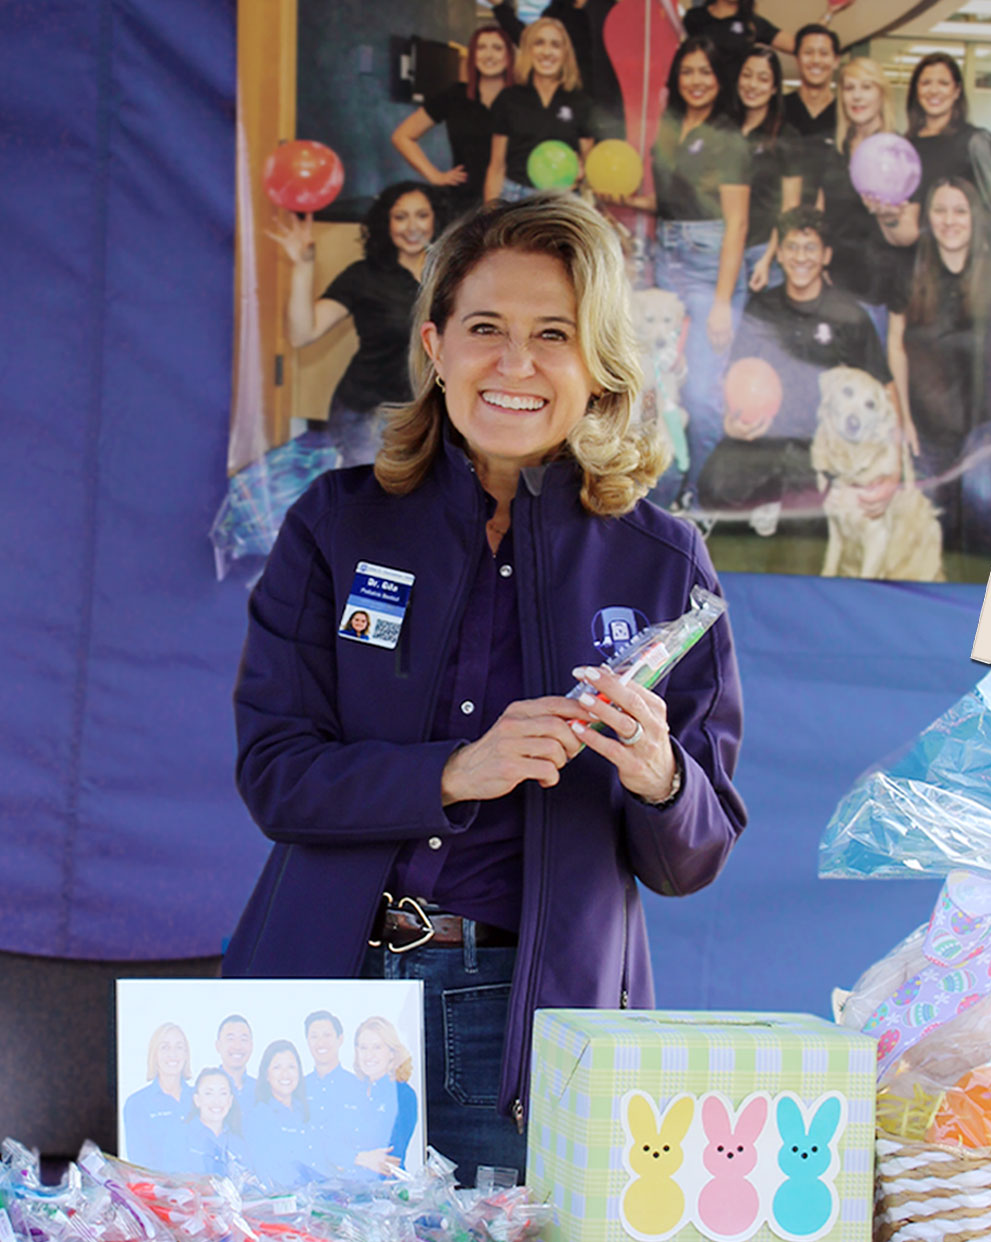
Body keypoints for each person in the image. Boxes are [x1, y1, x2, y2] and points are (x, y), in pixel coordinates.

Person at [223, 193, 746, 1185]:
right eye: (484, 330)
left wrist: (656, 775)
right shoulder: (333, 526)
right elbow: (274, 779)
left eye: (552, 334)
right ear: (434, 344)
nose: (514, 364)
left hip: (522, 1028)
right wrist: (455, 771)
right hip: (317, 1004)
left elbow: (695, 854)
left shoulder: (662, 564)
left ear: (596, 364)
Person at [886, 178, 991, 555]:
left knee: (980, 493)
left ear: (973, 217)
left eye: (960, 211)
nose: (950, 220)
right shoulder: (911, 267)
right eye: (940, 210)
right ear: (929, 217)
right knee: (930, 513)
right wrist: (902, 417)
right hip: (928, 426)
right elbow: (895, 346)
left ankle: (989, 588)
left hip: (990, 421)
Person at [698, 206, 899, 531]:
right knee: (714, 488)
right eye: (791, 247)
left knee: (802, 530)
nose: (800, 256)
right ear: (779, 254)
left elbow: (884, 387)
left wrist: (894, 466)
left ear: (826, 255)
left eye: (810, 248)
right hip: (764, 436)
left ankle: (780, 508)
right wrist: (731, 421)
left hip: (821, 447)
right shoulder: (762, 307)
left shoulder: (848, 315)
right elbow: (737, 373)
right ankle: (764, 502)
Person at [624, 36, 750, 505]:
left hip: (707, 265)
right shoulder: (672, 126)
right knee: (655, 386)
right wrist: (631, 201)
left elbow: (736, 221)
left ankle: (695, 496)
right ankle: (659, 489)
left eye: (706, 72)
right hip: (665, 255)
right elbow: (677, 197)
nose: (696, 81)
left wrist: (720, 303)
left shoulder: (728, 136)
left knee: (699, 394)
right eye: (688, 72)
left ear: (720, 81)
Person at [267, 181, 446, 466]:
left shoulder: (451, 276)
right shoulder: (363, 276)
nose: (412, 226)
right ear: (386, 223)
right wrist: (303, 267)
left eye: (421, 215)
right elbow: (303, 334)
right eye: (401, 217)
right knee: (375, 501)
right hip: (369, 416)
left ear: (435, 218)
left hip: (433, 412)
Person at [809, 57, 915, 331]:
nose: (856, 96)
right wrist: (818, 265)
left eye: (866, 87)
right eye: (849, 87)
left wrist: (888, 218)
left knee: (870, 372)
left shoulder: (899, 151)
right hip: (832, 283)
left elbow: (908, 233)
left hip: (875, 288)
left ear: (882, 94)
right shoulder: (836, 149)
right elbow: (821, 210)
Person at [391, 26, 515, 216]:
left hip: (514, 200)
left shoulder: (522, 100)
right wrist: (435, 176)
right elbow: (402, 136)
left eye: (497, 48)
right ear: (473, 55)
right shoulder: (455, 96)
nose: (489, 55)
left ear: (508, 56)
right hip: (463, 204)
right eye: (482, 48)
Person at [484, 18, 596, 203]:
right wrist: (488, 219)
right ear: (528, 50)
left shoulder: (581, 103)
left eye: (555, 45)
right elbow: (497, 167)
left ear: (565, 53)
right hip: (515, 198)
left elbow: (589, 168)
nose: (547, 52)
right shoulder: (508, 99)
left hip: (563, 200)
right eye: (539, 43)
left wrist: (581, 176)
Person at [905, 54, 991, 236]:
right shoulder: (906, 146)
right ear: (916, 91)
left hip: (960, 255)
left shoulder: (977, 142)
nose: (933, 90)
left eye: (943, 83)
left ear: (957, 91)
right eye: (925, 83)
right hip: (910, 255)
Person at [481, 0, 625, 139]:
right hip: (569, 106)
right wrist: (500, 8)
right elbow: (529, 41)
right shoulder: (557, 11)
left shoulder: (610, 10)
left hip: (610, 111)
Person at [733, 45, 801, 303]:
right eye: (747, 75)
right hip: (721, 250)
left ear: (774, 88)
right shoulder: (724, 128)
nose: (753, 85)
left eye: (763, 79)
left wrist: (768, 258)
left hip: (762, 253)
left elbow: (789, 208)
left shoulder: (786, 135)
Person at [303, 1009, 378, 1177]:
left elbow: (368, 1142)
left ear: (340, 1039)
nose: (320, 1042)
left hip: (348, 1187)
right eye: (314, 1036)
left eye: (327, 1035)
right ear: (307, 1041)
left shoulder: (359, 1087)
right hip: (305, 1185)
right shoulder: (298, 1088)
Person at [678, 0, 796, 96]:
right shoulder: (694, 18)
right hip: (698, 92)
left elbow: (797, 46)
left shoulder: (751, 23)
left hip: (733, 100)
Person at [122, 1023, 194, 1172]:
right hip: (160, 1192)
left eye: (179, 1047)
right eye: (165, 1047)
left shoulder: (200, 1098)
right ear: (154, 1055)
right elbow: (140, 1163)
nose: (173, 1054)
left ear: (186, 1055)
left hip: (201, 1191)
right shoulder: (137, 1104)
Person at [353, 1016, 419, 1175]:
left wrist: (350, 1157)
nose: (369, 1055)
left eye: (377, 1047)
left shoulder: (403, 1095)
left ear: (391, 1052)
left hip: (386, 1190)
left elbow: (390, 1158)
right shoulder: (351, 1091)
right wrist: (359, 1157)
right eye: (363, 1048)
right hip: (349, 1188)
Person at [245, 1040, 315, 1190]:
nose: (285, 1074)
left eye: (291, 1067)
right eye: (277, 1067)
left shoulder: (303, 1112)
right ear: (267, 1075)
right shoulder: (259, 1117)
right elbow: (265, 1170)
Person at [782, 23, 840, 197]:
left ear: (835, 61)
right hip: (781, 217)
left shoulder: (846, 114)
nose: (816, 60)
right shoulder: (778, 109)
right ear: (797, 59)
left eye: (823, 53)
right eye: (808, 52)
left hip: (834, 220)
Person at [183, 1068, 246, 1177]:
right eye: (208, 1093)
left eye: (223, 1093)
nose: (216, 1101)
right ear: (197, 1100)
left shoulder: (238, 1143)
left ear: (230, 1100)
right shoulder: (181, 1138)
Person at [214, 1013, 257, 1118]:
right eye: (230, 1039)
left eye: (243, 1039)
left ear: (251, 1046)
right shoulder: (206, 1089)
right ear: (218, 1046)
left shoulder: (261, 1090)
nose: (237, 1046)